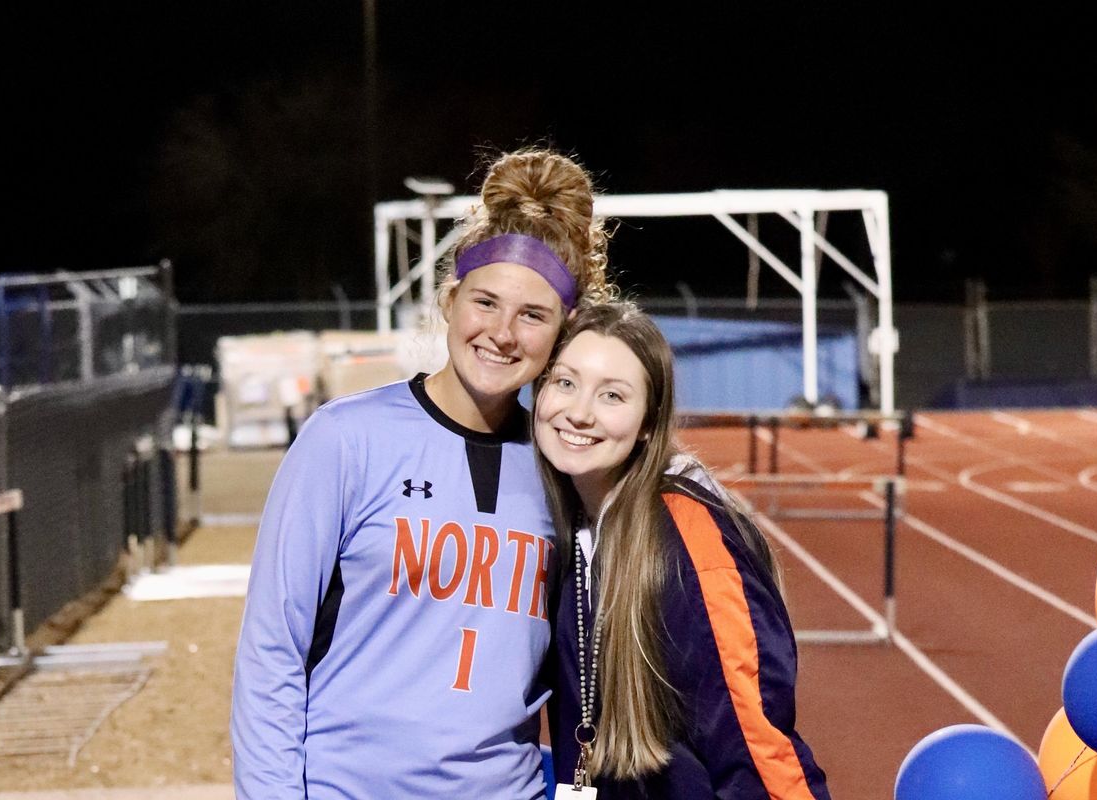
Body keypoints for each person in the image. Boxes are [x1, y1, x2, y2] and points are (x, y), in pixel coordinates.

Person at [231, 148, 614, 799]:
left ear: (564, 331)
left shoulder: (565, 471)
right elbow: (272, 652)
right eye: (485, 302)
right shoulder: (345, 439)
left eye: (532, 315)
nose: (501, 333)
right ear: (449, 298)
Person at [534, 302, 831, 799]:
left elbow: (759, 757)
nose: (579, 412)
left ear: (649, 424)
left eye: (612, 395)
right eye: (565, 382)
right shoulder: (570, 523)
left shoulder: (689, 544)